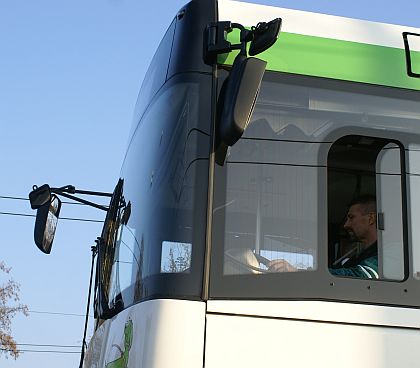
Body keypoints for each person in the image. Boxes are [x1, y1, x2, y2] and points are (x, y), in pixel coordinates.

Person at [268, 195, 379, 279]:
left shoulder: (387, 253)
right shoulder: (358, 257)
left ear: (371, 219)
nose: (346, 225)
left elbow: (362, 277)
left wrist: (296, 271)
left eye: (351, 217)